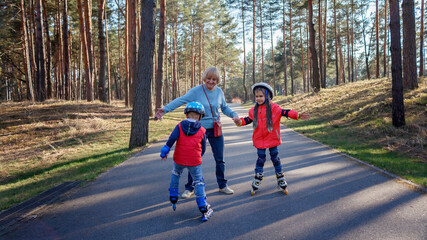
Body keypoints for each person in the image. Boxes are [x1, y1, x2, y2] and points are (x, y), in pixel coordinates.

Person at [156, 66, 240, 198]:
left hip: (216, 129)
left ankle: (223, 185)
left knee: (220, 159)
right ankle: (190, 188)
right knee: (193, 159)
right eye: (208, 79)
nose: (211, 82)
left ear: (217, 80)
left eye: (214, 79)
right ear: (204, 78)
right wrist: (165, 109)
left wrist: (234, 115)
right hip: (198, 130)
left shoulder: (219, 92)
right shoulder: (196, 91)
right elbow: (181, 100)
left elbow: (224, 107)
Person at [235, 82, 310, 195]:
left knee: (275, 158)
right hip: (259, 139)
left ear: (268, 96)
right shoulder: (253, 110)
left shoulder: (274, 108)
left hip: (272, 137)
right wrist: (239, 121)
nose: (259, 98)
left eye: (261, 96)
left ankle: (280, 176)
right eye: (257, 96)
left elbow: (286, 112)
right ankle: (258, 176)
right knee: (261, 159)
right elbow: (248, 120)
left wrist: (297, 115)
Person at [160, 102, 213, 221]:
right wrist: (200, 155)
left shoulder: (179, 126)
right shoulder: (202, 130)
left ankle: (173, 196)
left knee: (176, 173)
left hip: (179, 158)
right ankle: (202, 205)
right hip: (194, 160)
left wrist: (165, 150)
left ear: (186, 115)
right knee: (198, 181)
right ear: (200, 116)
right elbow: (203, 147)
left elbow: (172, 139)